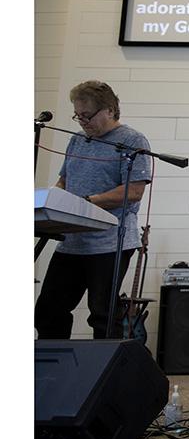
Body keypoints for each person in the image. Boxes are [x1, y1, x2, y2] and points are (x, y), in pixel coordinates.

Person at [35, 81, 152, 339]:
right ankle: (55, 374)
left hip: (109, 243)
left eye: (88, 116)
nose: (82, 122)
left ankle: (103, 376)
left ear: (110, 110)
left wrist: (88, 201)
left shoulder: (132, 140)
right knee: (48, 311)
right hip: (71, 241)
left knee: (102, 315)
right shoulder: (77, 141)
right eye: (78, 116)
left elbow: (134, 191)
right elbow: (64, 181)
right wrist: (51, 203)